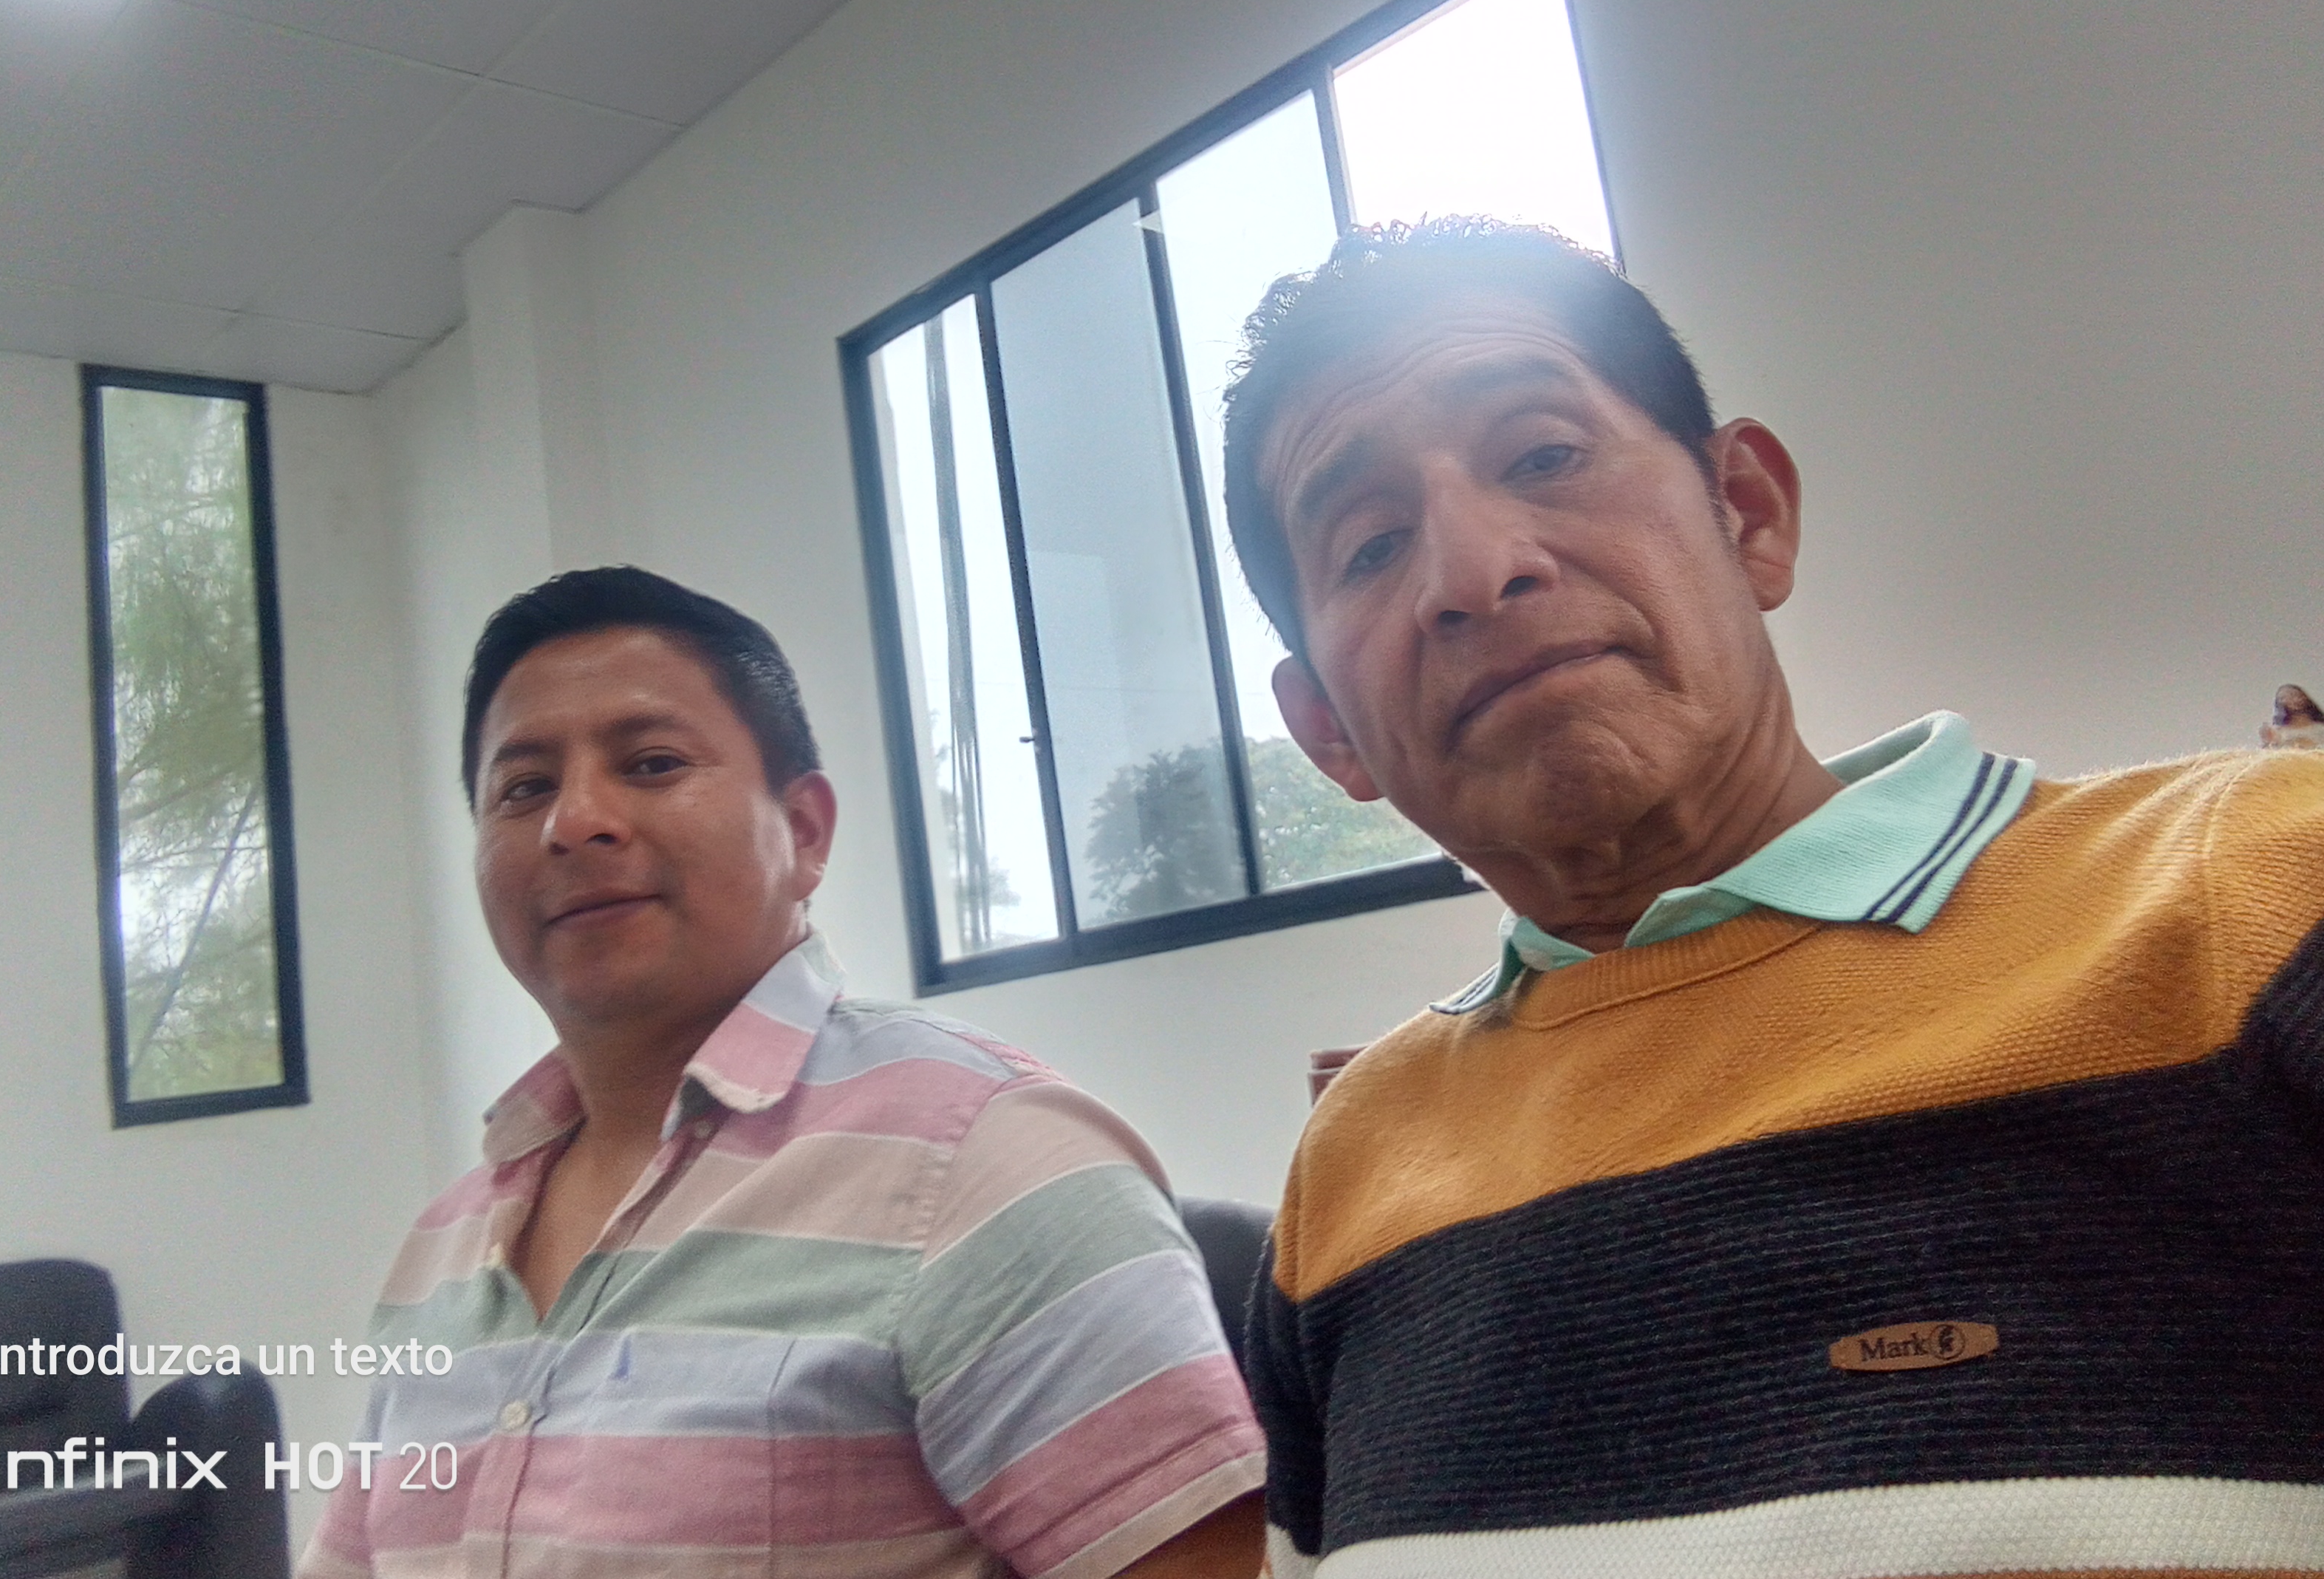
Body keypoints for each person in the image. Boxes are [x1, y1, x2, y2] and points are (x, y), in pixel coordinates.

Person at [1219, 218, 2324, 1577]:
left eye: (1544, 456)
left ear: (1747, 513)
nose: (1474, 573)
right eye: (1372, 543)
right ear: (1327, 731)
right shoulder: (1349, 1172)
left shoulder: (2265, 887)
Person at [302, 567, 1264, 1579]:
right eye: (524, 788)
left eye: (652, 763)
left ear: (804, 832)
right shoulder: (440, 1252)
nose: (573, 821)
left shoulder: (990, 1162)